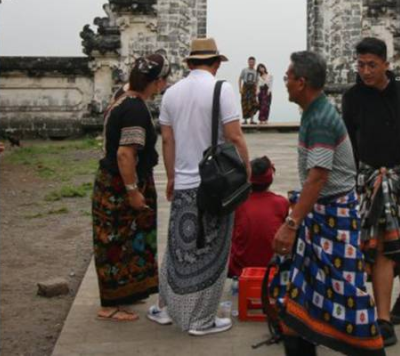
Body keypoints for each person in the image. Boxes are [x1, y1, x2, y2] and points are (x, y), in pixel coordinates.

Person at [269, 51, 384, 356]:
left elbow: (318, 177)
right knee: (299, 292)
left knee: (347, 295)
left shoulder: (320, 118)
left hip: (332, 214)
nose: (285, 83)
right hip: (321, 212)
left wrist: (291, 224)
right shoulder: (315, 110)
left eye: (288, 77)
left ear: (301, 82)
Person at [148, 37, 249, 335]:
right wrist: (245, 172)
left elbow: (167, 140)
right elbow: (234, 136)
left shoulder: (170, 93)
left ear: (190, 63)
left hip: (183, 182)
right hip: (214, 185)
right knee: (212, 249)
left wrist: (171, 177)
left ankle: (165, 309)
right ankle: (201, 320)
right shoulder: (222, 89)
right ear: (216, 62)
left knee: (179, 247)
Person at [342, 37, 400, 346]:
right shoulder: (353, 97)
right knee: (381, 244)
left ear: (386, 64)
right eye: (361, 65)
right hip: (370, 178)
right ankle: (382, 319)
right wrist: (352, 179)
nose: (366, 71)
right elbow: (349, 144)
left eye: (371, 65)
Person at [92, 53, 168, 322]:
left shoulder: (123, 97)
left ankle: (126, 293)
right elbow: (125, 154)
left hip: (112, 181)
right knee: (118, 241)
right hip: (120, 185)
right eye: (164, 80)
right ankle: (111, 304)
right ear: (157, 82)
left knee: (126, 240)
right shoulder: (134, 108)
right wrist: (133, 191)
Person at [228, 156, 288, 277]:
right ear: (270, 179)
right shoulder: (281, 203)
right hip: (272, 270)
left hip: (240, 272)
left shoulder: (237, 204)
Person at [239, 56, 260, 124]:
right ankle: (245, 120)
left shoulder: (256, 72)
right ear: (248, 62)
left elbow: (257, 82)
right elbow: (240, 79)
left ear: (255, 63)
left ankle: (251, 120)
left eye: (253, 62)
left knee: (253, 104)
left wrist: (257, 90)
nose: (251, 63)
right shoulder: (244, 70)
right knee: (244, 103)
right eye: (250, 62)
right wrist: (240, 88)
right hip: (245, 86)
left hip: (252, 87)